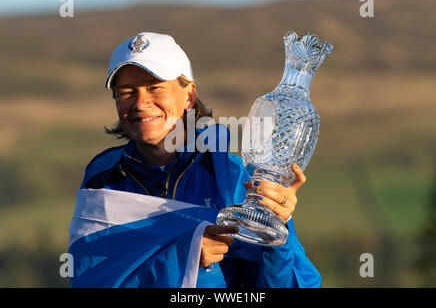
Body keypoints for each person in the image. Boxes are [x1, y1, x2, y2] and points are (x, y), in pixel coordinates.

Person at [69, 32, 321, 288]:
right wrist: (184, 257)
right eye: (126, 92)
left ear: (189, 96)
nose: (140, 103)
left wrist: (278, 226)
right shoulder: (103, 176)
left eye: (155, 88)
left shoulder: (231, 175)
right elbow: (91, 281)